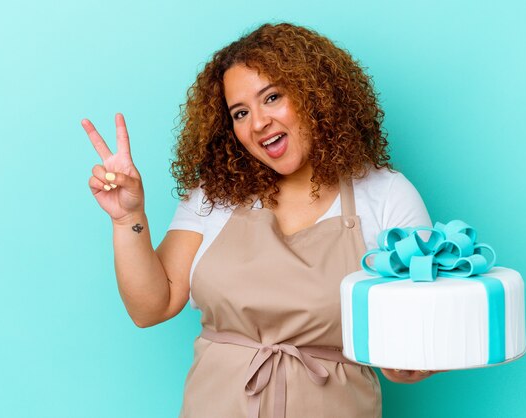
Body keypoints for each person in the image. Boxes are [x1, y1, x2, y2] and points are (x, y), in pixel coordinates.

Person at [82, 22, 442, 418]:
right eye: (240, 112)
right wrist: (127, 218)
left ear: (316, 94)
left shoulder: (387, 195)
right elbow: (153, 306)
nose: (257, 123)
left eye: (272, 97)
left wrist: (411, 362)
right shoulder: (213, 195)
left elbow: (417, 332)